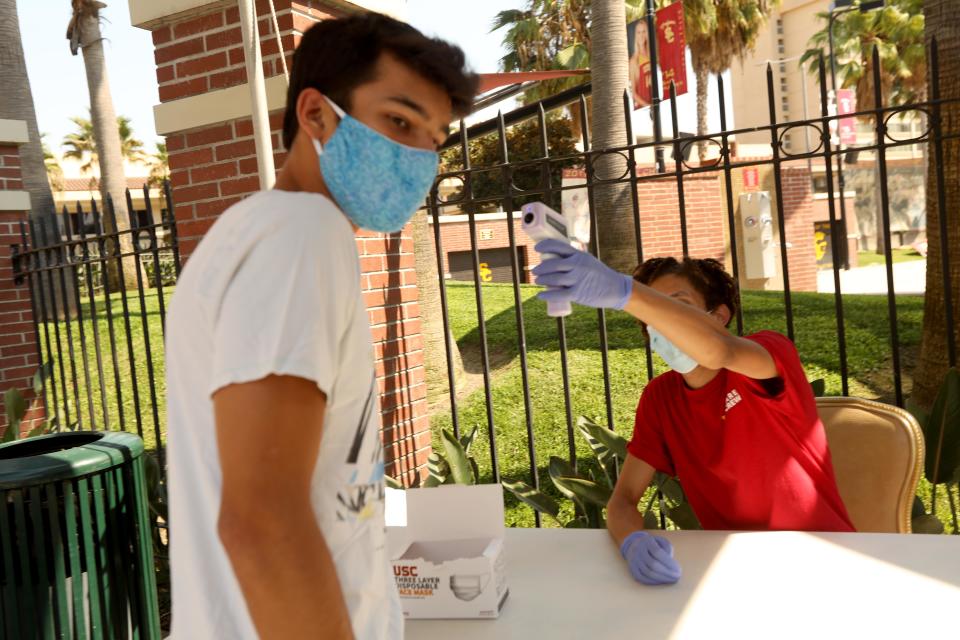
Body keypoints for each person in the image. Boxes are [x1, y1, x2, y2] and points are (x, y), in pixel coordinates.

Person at [164, 14, 477, 639]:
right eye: (398, 120)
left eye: (435, 137)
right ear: (316, 116)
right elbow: (262, 524)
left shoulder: (280, 232)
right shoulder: (299, 237)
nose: (419, 155)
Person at [531, 242, 855, 587]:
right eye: (652, 315)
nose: (662, 322)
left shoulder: (768, 354)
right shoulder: (660, 399)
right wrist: (632, 542)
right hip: (734, 570)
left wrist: (626, 292)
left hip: (826, 559)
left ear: (718, 316)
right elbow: (622, 501)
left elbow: (720, 351)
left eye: (677, 306)